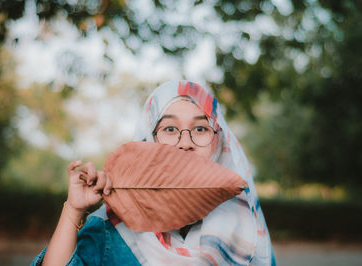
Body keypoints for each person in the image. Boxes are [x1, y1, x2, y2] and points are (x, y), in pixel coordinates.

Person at [32, 80, 276, 265]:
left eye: (200, 128)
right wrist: (74, 209)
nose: (185, 143)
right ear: (148, 139)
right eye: (170, 128)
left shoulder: (244, 226)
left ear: (219, 142)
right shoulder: (112, 228)